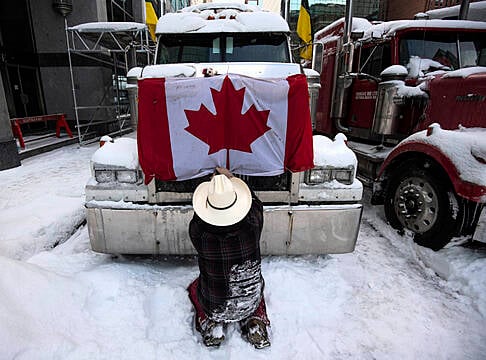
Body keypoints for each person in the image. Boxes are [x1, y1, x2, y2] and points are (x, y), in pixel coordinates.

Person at [187, 166, 270, 348]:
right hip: (249, 301)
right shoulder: (254, 226)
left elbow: (198, 217)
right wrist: (230, 178)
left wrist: (211, 190)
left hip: (216, 305)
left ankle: (212, 324)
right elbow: (255, 204)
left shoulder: (199, 235)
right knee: (257, 293)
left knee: (195, 288)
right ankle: (255, 321)